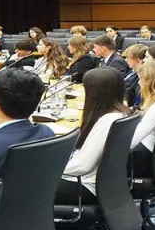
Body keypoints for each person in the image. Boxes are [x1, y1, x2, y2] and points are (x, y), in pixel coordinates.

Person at [55, 67, 130, 205]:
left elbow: (82, 166)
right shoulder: (121, 112)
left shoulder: (107, 121)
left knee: (20, 186)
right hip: (97, 183)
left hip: (84, 185)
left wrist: (49, 170)